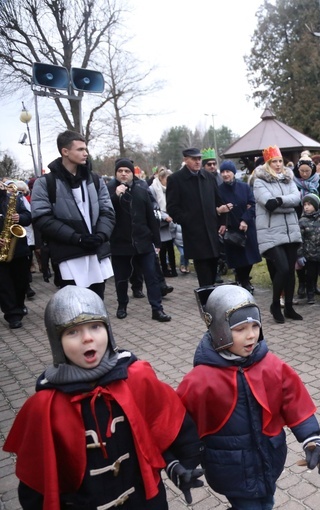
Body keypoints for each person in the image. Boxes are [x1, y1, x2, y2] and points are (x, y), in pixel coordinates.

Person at [2, 286, 204, 508]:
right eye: (73, 331)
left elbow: (165, 429)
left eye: (96, 326)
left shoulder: (135, 377)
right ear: (56, 340)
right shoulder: (45, 406)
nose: (88, 338)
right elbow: (37, 480)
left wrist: (177, 465)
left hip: (144, 501)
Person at [176, 285, 320, 510]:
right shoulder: (201, 379)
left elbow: (294, 401)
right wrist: (181, 464)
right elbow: (182, 425)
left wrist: (311, 439)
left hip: (269, 460)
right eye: (240, 329)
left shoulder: (272, 366)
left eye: (255, 325)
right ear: (219, 329)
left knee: (266, 500)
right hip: (231, 469)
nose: (251, 335)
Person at [30, 130, 115, 298]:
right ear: (65, 151)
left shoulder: (95, 179)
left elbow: (108, 211)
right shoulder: (45, 183)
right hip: (69, 254)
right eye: (80, 149)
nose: (86, 153)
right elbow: (42, 218)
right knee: (74, 308)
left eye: (86, 149)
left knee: (97, 303)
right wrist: (77, 238)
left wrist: (101, 235)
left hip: (96, 251)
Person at [107, 158, 171, 322]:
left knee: (152, 277)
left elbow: (151, 218)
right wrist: (116, 196)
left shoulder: (142, 191)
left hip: (143, 243)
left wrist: (157, 242)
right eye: (120, 171)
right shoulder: (109, 192)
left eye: (127, 171)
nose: (123, 174)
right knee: (121, 279)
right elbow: (106, 214)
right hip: (120, 244)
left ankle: (157, 309)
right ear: (116, 174)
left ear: (132, 174)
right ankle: (122, 305)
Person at [251, 145, 303, 323]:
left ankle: (289, 307)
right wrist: (285, 204)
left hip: (290, 232)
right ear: (268, 163)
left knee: (290, 271)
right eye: (274, 161)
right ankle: (275, 304)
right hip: (271, 233)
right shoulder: (259, 181)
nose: (279, 164)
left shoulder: (289, 179)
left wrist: (280, 200)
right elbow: (268, 204)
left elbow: (297, 199)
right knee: (282, 268)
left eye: (280, 161)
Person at [166, 147, 231, 287]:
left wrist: (222, 222)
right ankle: (205, 302)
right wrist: (188, 221)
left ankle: (212, 301)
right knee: (204, 274)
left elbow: (219, 201)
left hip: (212, 232)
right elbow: (172, 208)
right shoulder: (176, 179)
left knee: (214, 270)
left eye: (199, 159)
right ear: (185, 160)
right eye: (194, 159)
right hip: (195, 234)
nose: (197, 162)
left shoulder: (208, 177)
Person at [218, 159, 261, 292]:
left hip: (246, 227)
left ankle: (244, 278)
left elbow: (253, 204)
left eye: (228, 171)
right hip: (231, 228)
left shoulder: (244, 187)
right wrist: (221, 210)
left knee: (250, 257)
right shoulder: (218, 190)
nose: (225, 174)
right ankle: (243, 280)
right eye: (223, 172)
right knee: (237, 259)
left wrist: (245, 219)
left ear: (233, 173)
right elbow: (216, 208)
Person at [0, 181, 32, 329]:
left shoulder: (14, 197)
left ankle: (19, 305)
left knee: (21, 281)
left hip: (18, 247)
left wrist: (20, 217)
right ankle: (12, 314)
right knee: (5, 284)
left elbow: (28, 216)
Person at [298, 193, 320, 305]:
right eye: (305, 204)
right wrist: (300, 255)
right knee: (310, 276)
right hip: (309, 255)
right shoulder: (302, 221)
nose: (306, 207)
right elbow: (300, 239)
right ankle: (310, 295)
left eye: (309, 204)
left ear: (316, 206)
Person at [149, 168, 177, 277]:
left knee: (171, 247)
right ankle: (164, 269)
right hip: (160, 222)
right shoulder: (153, 189)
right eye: (167, 179)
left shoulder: (170, 189)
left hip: (170, 222)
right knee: (162, 247)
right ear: (161, 178)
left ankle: (173, 269)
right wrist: (164, 216)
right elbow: (153, 206)